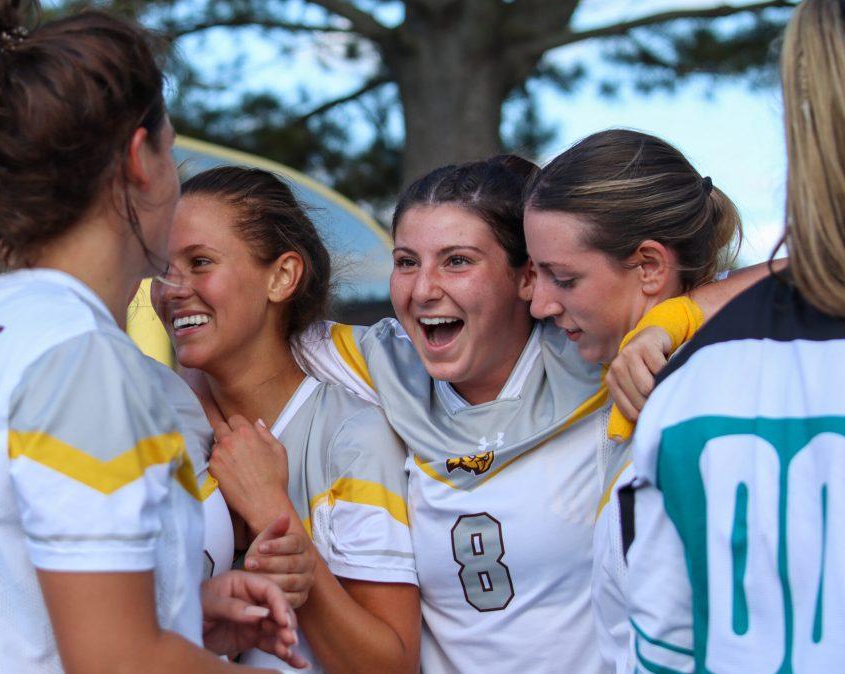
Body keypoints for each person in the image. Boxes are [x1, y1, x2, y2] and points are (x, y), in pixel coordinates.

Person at [0, 3, 304, 673]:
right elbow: (117, 660)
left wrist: (181, 613)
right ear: (139, 160)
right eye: (173, 151)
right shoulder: (80, 360)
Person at [275, 152, 761, 673]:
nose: (422, 289)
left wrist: (675, 317)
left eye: (457, 260)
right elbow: (240, 344)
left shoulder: (593, 351)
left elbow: (805, 275)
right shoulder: (386, 362)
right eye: (405, 261)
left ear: (526, 277)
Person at [625, 0, 845, 670]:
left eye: (562, 278)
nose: (541, 300)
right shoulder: (680, 383)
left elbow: (661, 649)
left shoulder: (690, 385)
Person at [152, 166, 421, 674]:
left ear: (282, 277)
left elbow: (393, 664)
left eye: (200, 262)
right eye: (162, 268)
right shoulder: (159, 424)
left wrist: (272, 514)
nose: (172, 289)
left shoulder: (353, 433)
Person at [522, 128, 752, 673]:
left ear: (650, 266)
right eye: (536, 274)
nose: (539, 303)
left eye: (563, 277)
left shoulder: (724, 400)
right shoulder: (624, 369)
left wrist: (676, 316)